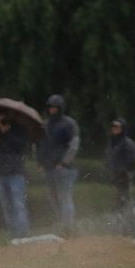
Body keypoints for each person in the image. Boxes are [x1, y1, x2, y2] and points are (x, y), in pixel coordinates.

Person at [37, 93, 80, 234]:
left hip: (64, 169)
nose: (52, 110)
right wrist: (40, 162)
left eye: (55, 107)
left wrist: (64, 162)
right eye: (50, 107)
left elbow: (74, 145)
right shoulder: (44, 124)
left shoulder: (69, 124)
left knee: (65, 198)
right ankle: (61, 226)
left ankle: (68, 227)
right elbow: (38, 145)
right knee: (54, 200)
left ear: (61, 108)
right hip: (48, 168)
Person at [0, 111, 30, 239]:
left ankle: (23, 232)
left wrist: (8, 132)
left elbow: (21, 146)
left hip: (16, 173)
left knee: (18, 204)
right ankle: (13, 233)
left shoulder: (20, 130)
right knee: (6, 205)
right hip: (0, 173)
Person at [106, 118, 135, 208]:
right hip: (115, 174)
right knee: (116, 197)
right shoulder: (112, 142)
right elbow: (109, 157)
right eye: (113, 127)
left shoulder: (128, 143)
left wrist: (124, 171)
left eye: (117, 127)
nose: (114, 129)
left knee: (125, 196)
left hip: (124, 175)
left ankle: (126, 214)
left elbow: (131, 159)